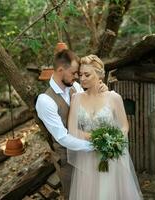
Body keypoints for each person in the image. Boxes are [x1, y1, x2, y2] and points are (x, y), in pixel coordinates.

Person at [67, 55, 143, 200]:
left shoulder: (114, 98)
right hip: (87, 156)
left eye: (87, 74)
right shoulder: (76, 98)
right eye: (80, 74)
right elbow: (72, 130)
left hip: (109, 156)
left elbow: (124, 126)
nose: (82, 78)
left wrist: (114, 142)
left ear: (99, 74)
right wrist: (97, 139)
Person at [35, 50, 107, 199]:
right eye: (74, 73)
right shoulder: (45, 100)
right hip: (68, 160)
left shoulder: (76, 88)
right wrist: (94, 147)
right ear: (61, 70)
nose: (77, 77)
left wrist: (102, 93)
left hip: (89, 155)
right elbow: (62, 137)